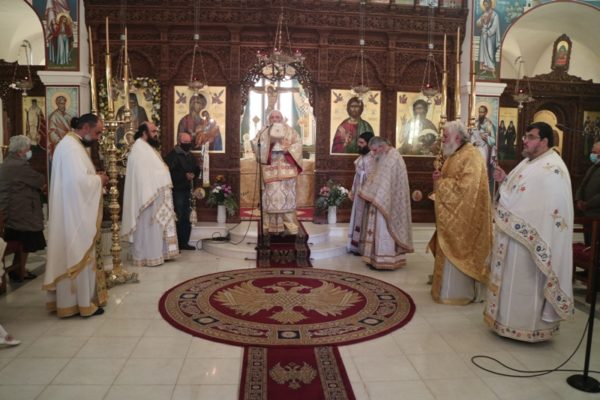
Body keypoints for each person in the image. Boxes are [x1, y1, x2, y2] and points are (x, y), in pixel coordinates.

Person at [485, 122, 574, 342]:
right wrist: (505, 179)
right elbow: (520, 193)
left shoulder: (553, 168)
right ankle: (505, 322)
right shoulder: (529, 162)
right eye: (525, 136)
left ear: (544, 141)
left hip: (530, 243)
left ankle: (526, 328)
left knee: (525, 283)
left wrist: (512, 209)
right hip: (516, 237)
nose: (525, 140)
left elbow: (545, 206)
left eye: (531, 137)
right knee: (512, 283)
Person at [43, 114, 108, 318]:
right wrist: (99, 180)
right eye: (97, 132)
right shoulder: (71, 148)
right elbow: (77, 184)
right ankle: (81, 304)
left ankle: (72, 302)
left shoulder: (71, 144)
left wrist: (94, 179)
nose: (98, 137)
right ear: (85, 127)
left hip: (71, 210)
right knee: (77, 250)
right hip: (74, 214)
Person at [429, 121, 492, 304]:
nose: (442, 140)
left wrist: (441, 184)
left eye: (445, 136)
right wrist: (439, 179)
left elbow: (467, 189)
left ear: (457, 137)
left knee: (459, 251)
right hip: (453, 214)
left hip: (466, 217)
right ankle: (444, 290)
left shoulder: (472, 155)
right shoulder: (455, 154)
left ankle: (458, 293)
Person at [121, 122, 179, 266]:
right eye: (153, 131)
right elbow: (142, 175)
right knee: (148, 227)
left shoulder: (147, 148)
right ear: (144, 133)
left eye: (156, 131)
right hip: (147, 197)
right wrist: (161, 175)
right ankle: (148, 256)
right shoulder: (139, 149)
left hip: (155, 195)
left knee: (157, 227)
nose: (156, 134)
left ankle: (160, 253)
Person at [357, 136, 413, 269]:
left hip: (387, 203)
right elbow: (376, 177)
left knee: (384, 230)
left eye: (375, 150)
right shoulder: (382, 156)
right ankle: (374, 258)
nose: (373, 153)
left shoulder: (394, 158)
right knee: (376, 230)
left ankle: (385, 260)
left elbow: (386, 183)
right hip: (379, 200)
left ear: (382, 147)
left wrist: (373, 194)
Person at [0, 136, 46, 282]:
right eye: (28, 149)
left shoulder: (8, 162)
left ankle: (19, 268)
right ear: (21, 151)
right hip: (19, 212)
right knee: (27, 239)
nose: (29, 152)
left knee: (22, 239)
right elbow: (38, 180)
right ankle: (19, 270)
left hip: (14, 209)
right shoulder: (18, 165)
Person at [252, 110, 302, 235]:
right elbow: (255, 143)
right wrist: (269, 143)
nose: (275, 119)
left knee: (287, 198)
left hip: (287, 171)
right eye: (272, 117)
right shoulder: (264, 131)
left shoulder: (290, 131)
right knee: (271, 198)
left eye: (277, 117)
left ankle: (289, 227)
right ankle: (269, 227)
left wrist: (288, 150)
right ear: (269, 119)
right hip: (270, 170)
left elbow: (298, 144)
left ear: (282, 118)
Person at [165, 131, 200, 250]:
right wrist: (184, 176)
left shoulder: (190, 155)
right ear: (179, 142)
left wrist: (194, 174)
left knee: (186, 217)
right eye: (185, 142)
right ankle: (176, 244)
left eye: (189, 142)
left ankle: (184, 242)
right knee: (178, 216)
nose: (188, 144)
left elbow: (195, 169)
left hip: (187, 190)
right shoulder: (172, 155)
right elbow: (169, 174)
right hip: (177, 191)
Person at [347, 131, 375, 255]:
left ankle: (362, 247)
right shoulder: (363, 157)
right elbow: (357, 176)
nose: (359, 145)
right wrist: (353, 190)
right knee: (357, 218)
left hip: (366, 194)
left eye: (362, 143)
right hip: (359, 193)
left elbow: (372, 177)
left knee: (364, 220)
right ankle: (355, 245)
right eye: (358, 142)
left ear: (369, 144)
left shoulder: (373, 158)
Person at [575, 141, 600, 245]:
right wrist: (578, 199)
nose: (592, 155)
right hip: (587, 213)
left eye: (594, 152)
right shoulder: (593, 167)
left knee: (595, 245)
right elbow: (582, 185)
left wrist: (588, 204)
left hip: (597, 213)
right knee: (588, 243)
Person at [471, 105, 497, 192]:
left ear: (486, 113)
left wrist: (485, 137)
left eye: (482, 112)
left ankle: (482, 189)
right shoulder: (475, 123)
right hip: (475, 149)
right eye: (479, 112)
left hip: (484, 149)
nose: (480, 114)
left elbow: (493, 140)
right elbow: (471, 136)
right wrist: (474, 142)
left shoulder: (489, 125)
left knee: (482, 168)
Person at [476, 0, 500, 76]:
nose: (486, 6)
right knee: (483, 52)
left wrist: (488, 32)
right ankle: (485, 68)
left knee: (490, 52)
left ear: (490, 4)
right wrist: (481, 19)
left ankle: (492, 68)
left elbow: (495, 26)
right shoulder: (484, 14)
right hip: (483, 35)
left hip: (490, 37)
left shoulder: (495, 15)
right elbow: (478, 24)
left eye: (487, 4)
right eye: (484, 5)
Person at [47, 95, 73, 159]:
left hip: (68, 143)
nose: (63, 105)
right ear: (57, 104)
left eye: (64, 103)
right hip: (59, 143)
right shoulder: (54, 116)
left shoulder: (68, 116)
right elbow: (52, 132)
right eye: (61, 104)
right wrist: (59, 141)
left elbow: (72, 130)